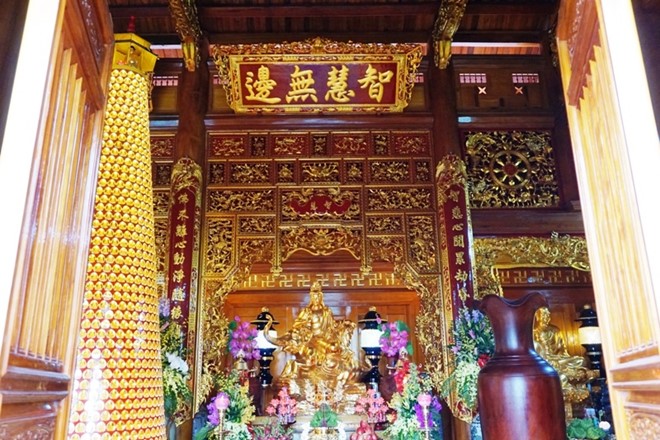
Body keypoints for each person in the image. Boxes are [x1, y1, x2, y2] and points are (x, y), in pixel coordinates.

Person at [265, 282, 367, 404]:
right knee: (315, 352)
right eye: (314, 296)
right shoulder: (307, 311)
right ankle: (315, 373)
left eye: (318, 296)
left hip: (325, 338)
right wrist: (303, 331)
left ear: (321, 297)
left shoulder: (326, 311)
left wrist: (344, 324)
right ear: (311, 297)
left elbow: (332, 326)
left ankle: (334, 375)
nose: (316, 298)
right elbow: (299, 325)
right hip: (312, 339)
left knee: (335, 349)